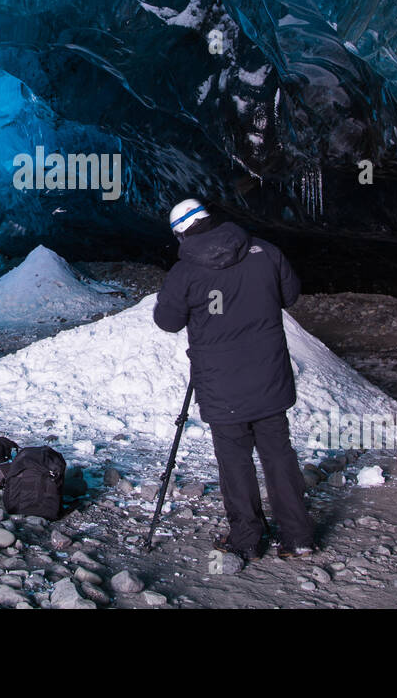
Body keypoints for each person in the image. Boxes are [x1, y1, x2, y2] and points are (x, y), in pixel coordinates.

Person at [153, 198, 315, 560]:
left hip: (221, 384)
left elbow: (167, 321)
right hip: (270, 375)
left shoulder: (185, 272)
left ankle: (247, 539)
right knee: (279, 455)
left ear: (180, 233)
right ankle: (299, 536)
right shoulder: (265, 251)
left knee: (235, 461)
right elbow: (290, 295)